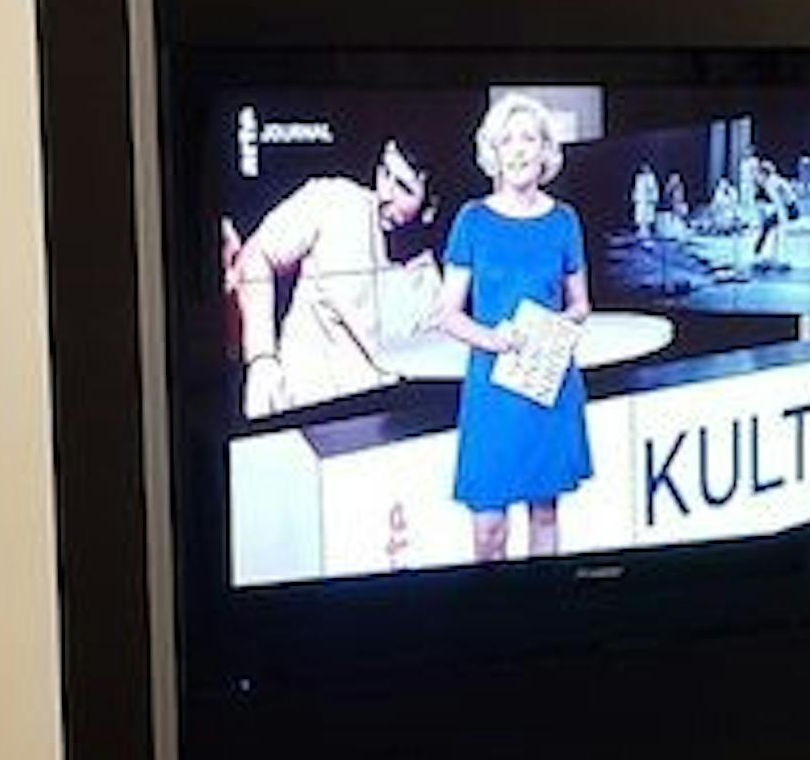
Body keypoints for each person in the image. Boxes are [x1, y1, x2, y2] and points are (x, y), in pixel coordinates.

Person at [434, 93, 593, 562]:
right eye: (508, 141)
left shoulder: (564, 221)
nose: (519, 150)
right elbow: (447, 313)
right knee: (489, 528)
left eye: (529, 139)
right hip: (494, 389)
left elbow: (581, 304)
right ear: (493, 152)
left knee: (544, 514)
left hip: (546, 382)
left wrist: (554, 326)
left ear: (545, 151)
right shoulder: (472, 220)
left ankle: (542, 604)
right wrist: (493, 339)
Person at [222, 139, 440, 418]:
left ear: (430, 209)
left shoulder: (432, 286)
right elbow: (256, 256)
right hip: (298, 411)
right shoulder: (333, 202)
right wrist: (262, 360)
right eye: (385, 173)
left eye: (404, 188)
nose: (385, 193)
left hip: (374, 428)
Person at [630, 162, 660, 238]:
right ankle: (641, 230)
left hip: (647, 200)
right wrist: (634, 197)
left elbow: (653, 188)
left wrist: (653, 197)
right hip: (640, 199)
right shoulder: (639, 177)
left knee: (647, 215)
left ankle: (646, 231)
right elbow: (636, 188)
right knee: (640, 215)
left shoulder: (651, 177)